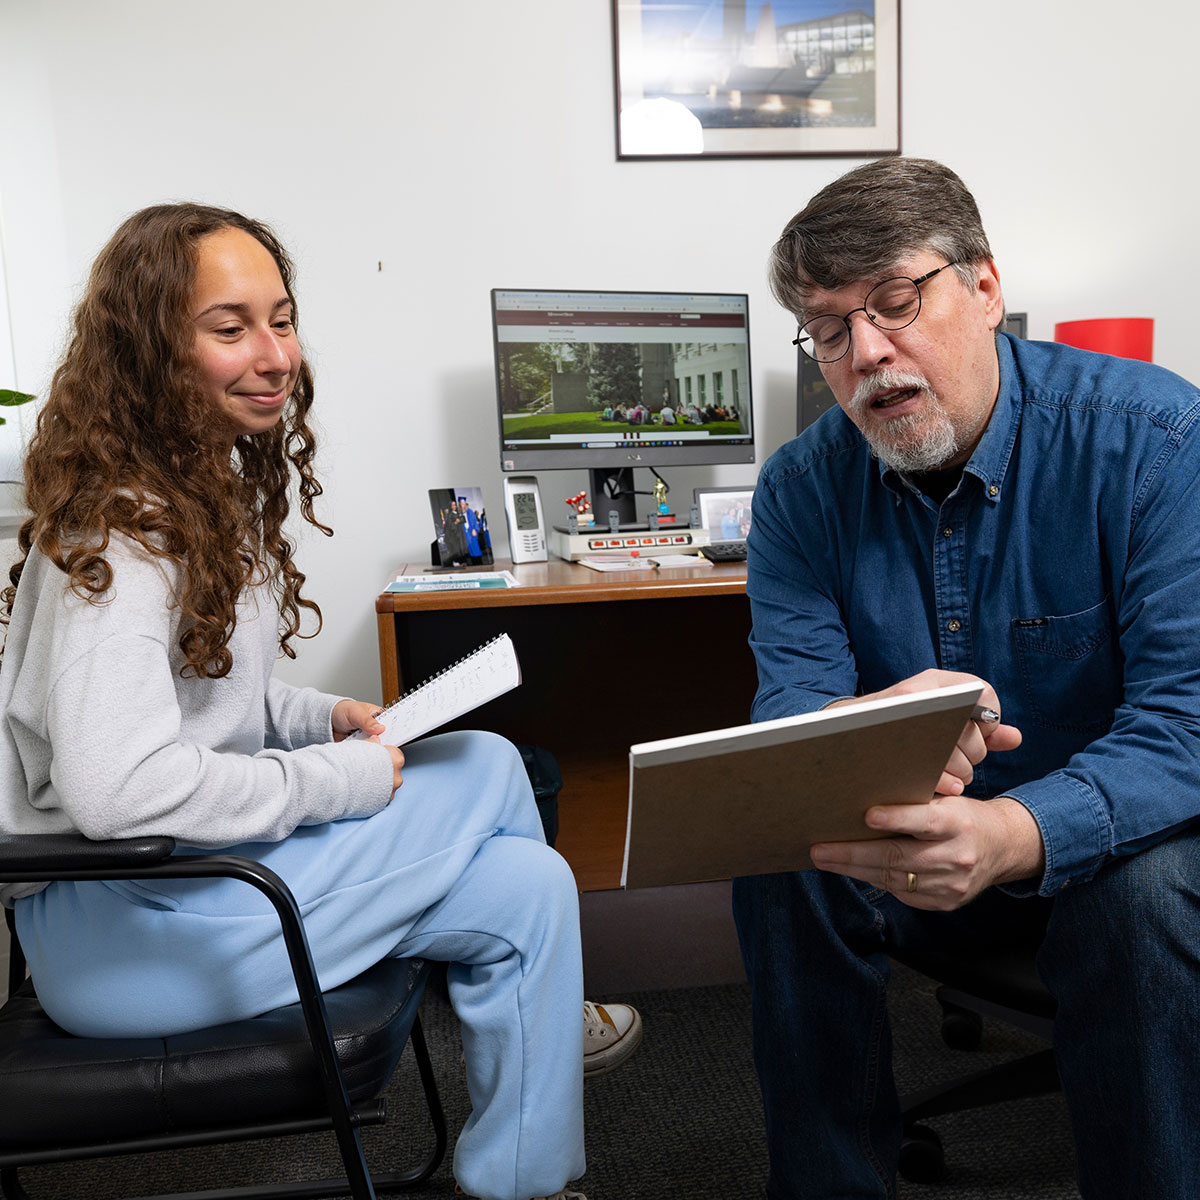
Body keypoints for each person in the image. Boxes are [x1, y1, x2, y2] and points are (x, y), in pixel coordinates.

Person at [0, 204, 643, 1200]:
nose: (275, 353)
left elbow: (209, 692)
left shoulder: (198, 495)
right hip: (129, 936)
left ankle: (525, 1184)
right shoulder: (118, 533)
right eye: (231, 327)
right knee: (489, 765)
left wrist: (315, 718)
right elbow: (115, 789)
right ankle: (573, 1021)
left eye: (282, 318)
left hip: (198, 889)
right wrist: (331, 779)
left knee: (529, 891)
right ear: (150, 349)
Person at [735, 157, 1200, 1199]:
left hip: (1122, 852)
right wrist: (858, 725)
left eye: (895, 303)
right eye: (828, 330)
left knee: (1144, 894)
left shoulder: (1158, 443)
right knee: (784, 866)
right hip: (919, 850)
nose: (867, 355)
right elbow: (793, 727)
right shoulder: (802, 493)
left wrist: (1022, 832)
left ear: (985, 287)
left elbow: (1189, 724)